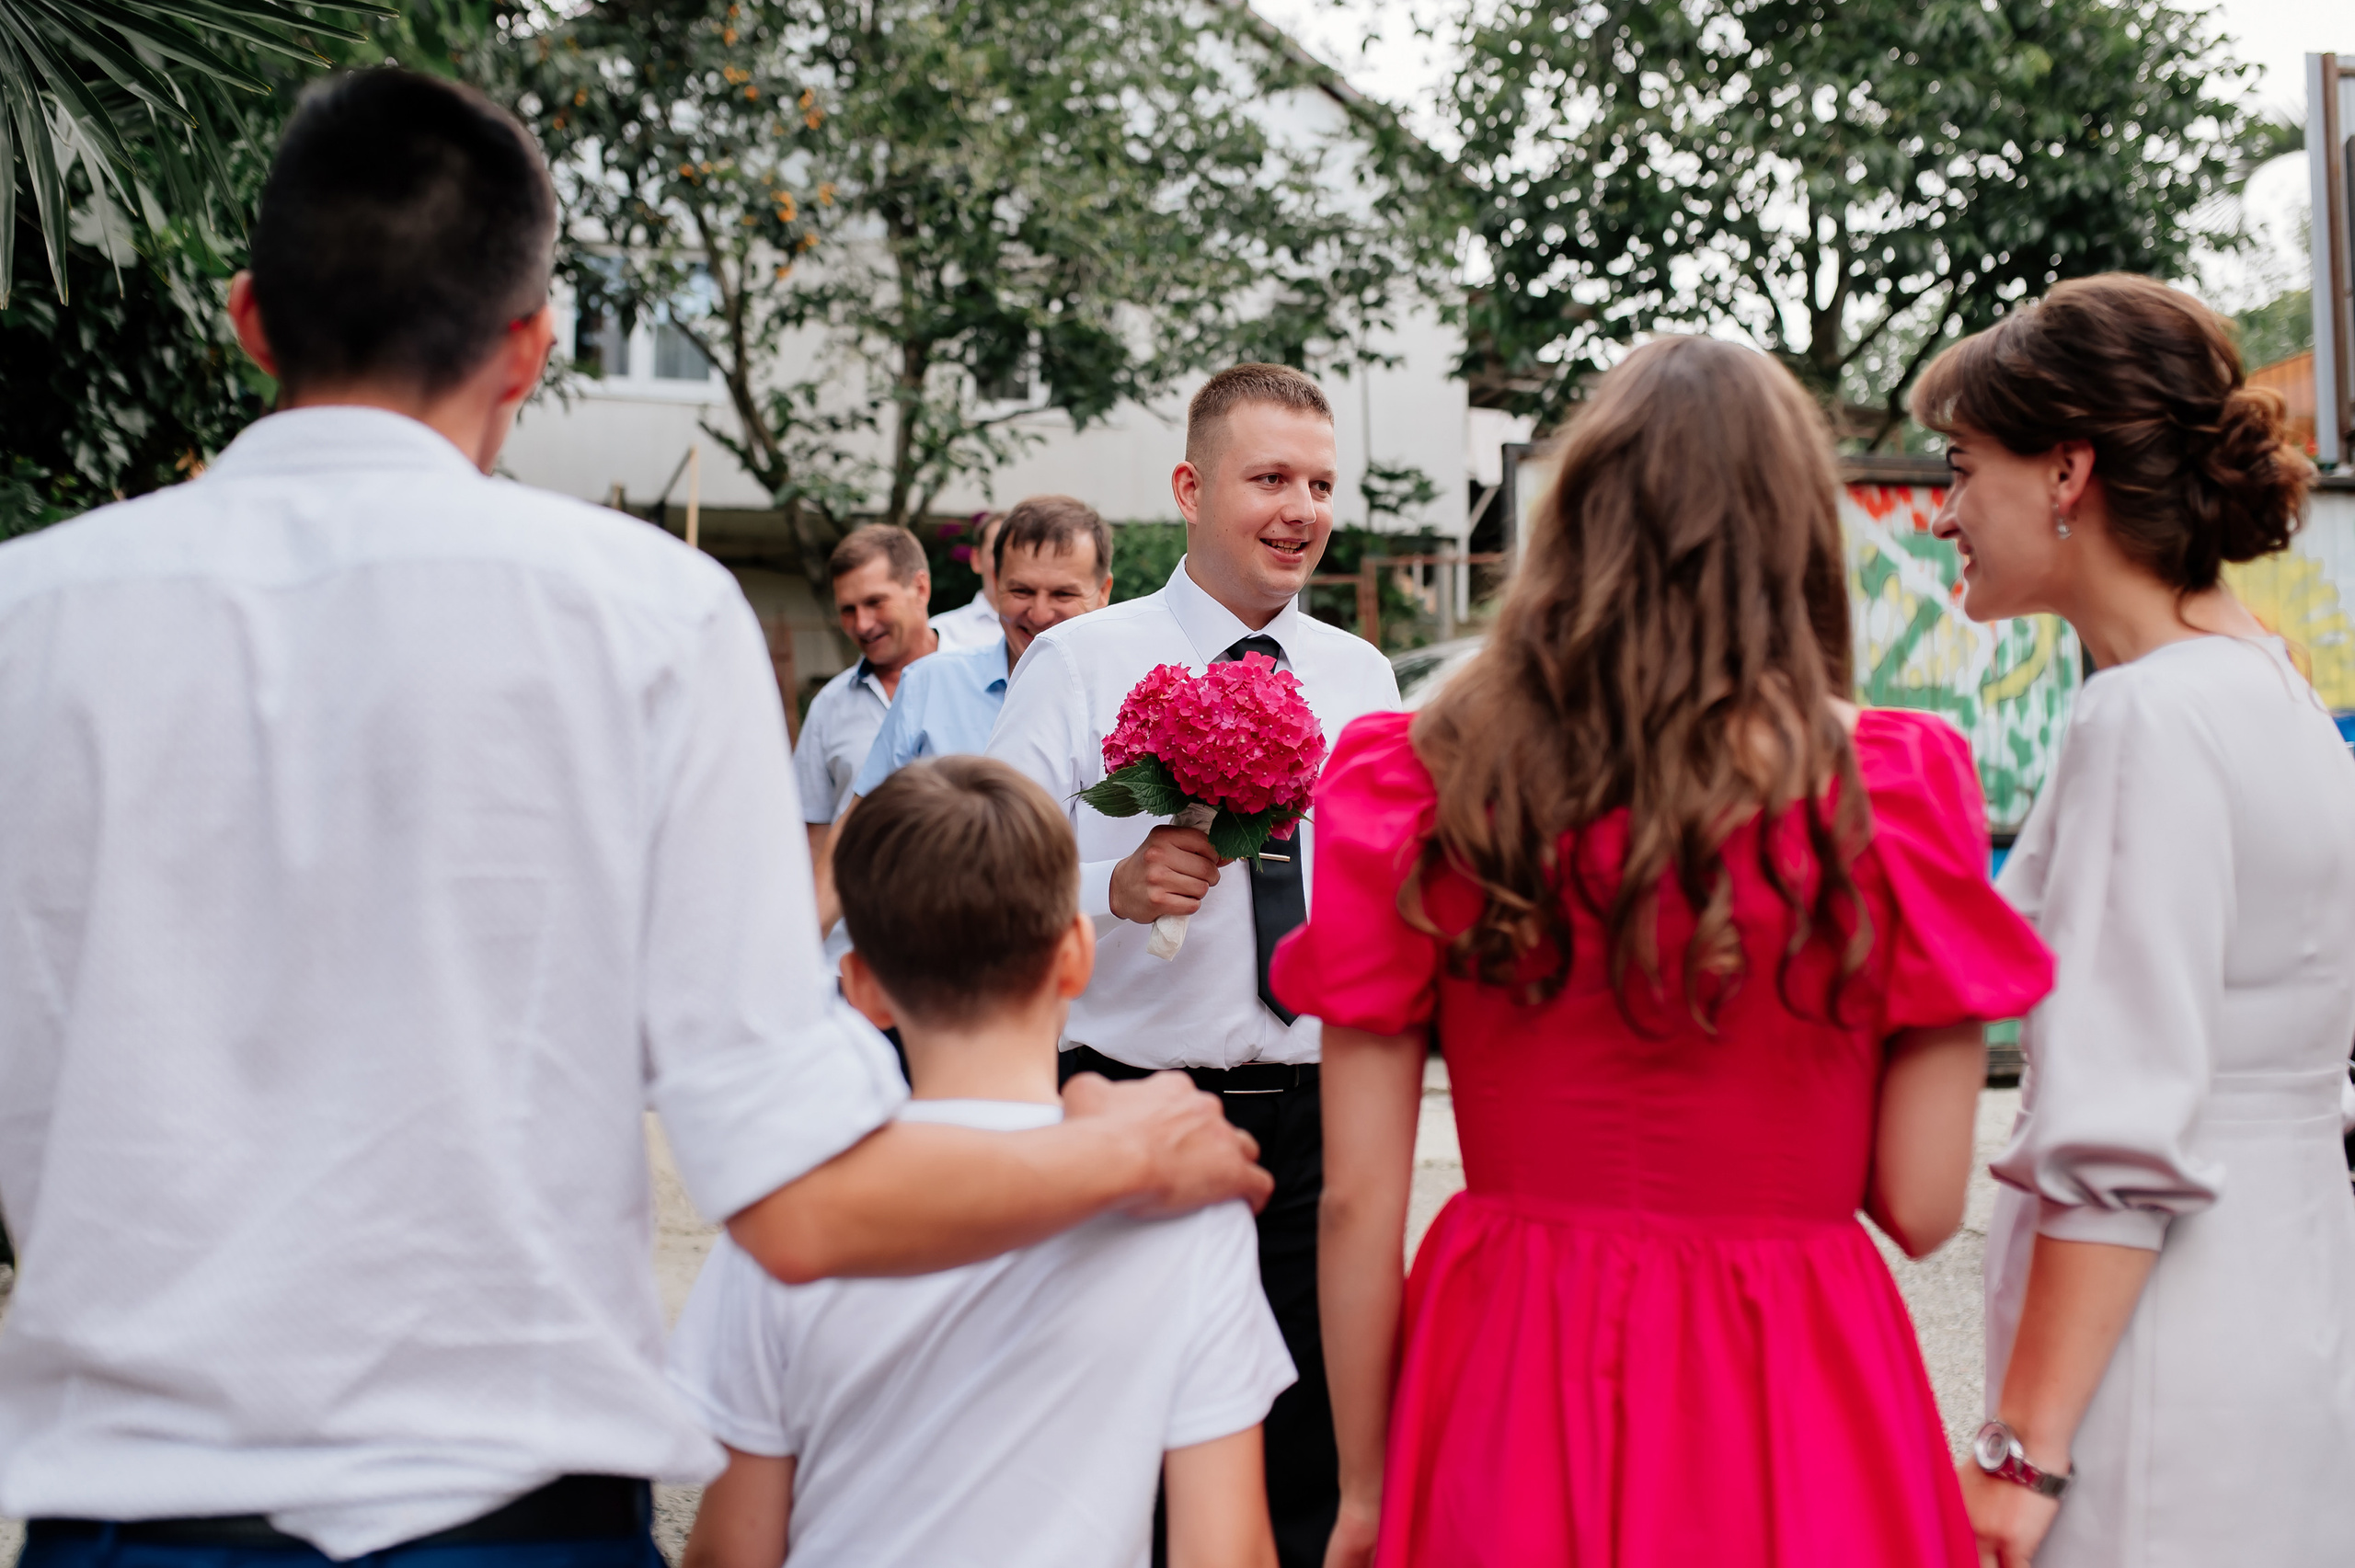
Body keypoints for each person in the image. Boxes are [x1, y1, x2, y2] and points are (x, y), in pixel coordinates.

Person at [0, 68, 1269, 1568]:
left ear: (251, 318)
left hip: (127, 1505)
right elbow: (796, 1195)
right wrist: (1133, 1151)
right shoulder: (644, 618)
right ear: (530, 347)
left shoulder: (31, 619)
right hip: (508, 1505)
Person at [1278, 336, 2055, 1568]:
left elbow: (1362, 1203)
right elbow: (1919, 1204)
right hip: (1791, 1364)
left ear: (1576, 523)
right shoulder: (1896, 787)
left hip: (1510, 1362)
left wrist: (1365, 1492)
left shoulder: (1417, 775)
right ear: (1795, 532)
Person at [1913, 274, 2355, 1568]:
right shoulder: (2268, 689)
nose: (1945, 514)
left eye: (1962, 466)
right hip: (2286, 1306)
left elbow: (2124, 1126)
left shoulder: (2145, 719)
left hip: (2160, 1358)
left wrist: (2022, 1451)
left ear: (2066, 471)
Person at [671, 758, 1292, 1568]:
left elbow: (733, 1549)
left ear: (862, 988)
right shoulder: (1186, 1203)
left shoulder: (789, 1218)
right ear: (1077, 952)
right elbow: (1227, 1551)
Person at [989, 364, 1400, 1567]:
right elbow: (992, 888)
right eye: (1270, 478)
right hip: (1137, 1102)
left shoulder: (1361, 680)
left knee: (1309, 1451)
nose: (1302, 509)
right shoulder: (1078, 661)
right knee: (1138, 1447)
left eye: (1321, 484)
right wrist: (1105, 891)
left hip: (1325, 1120)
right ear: (1190, 485)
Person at [816, 496, 1113, 939]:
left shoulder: (1139, 701)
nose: (1040, 613)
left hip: (1089, 979)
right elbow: (856, 836)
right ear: (995, 585)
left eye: (1064, 594)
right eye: (1021, 591)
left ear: (1103, 592)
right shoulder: (929, 685)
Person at [928, 510, 1008, 651]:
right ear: (977, 559)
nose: (1008, 563)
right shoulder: (942, 631)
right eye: (997, 552)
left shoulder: (1051, 629)